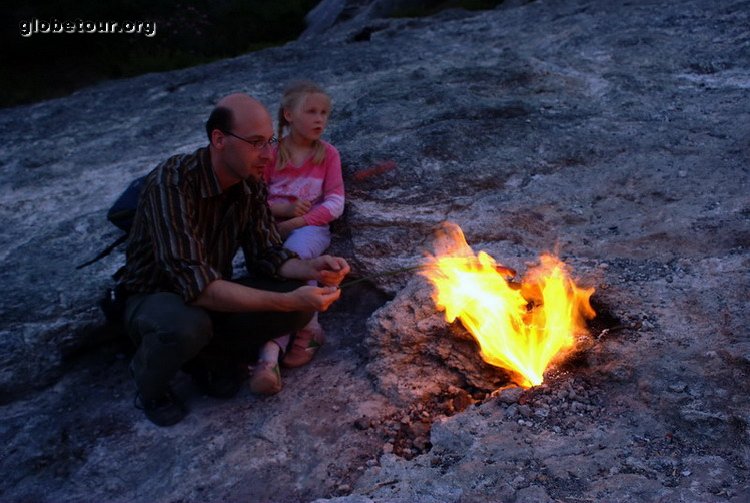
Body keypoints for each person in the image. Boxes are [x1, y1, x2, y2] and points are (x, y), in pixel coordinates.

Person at [116, 93, 350, 427]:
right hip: (156, 296)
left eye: (270, 142)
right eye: (256, 143)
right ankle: (150, 384)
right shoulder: (173, 182)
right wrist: (282, 302)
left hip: (211, 293)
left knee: (299, 302)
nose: (268, 156)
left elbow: (267, 254)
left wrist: (310, 268)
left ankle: (204, 358)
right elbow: (197, 287)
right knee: (186, 325)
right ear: (219, 139)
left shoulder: (249, 185)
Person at [249, 81, 345, 395]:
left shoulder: (327, 154)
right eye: (312, 112)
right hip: (269, 227)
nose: (320, 120)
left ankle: (270, 353)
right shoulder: (271, 154)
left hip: (309, 229)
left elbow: (335, 202)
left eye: (325, 113)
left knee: (295, 258)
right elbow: (252, 198)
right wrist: (281, 209)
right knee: (262, 273)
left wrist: (298, 220)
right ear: (289, 115)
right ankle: (305, 331)